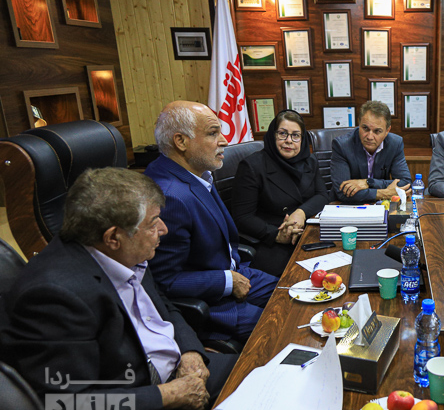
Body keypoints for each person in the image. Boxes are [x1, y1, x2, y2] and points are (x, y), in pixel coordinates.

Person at [0, 168, 236, 410]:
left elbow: (164, 307)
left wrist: (191, 352)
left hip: (169, 372)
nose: (164, 229)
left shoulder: (126, 251)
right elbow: (65, 407)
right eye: (153, 223)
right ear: (113, 237)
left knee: (253, 371)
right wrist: (169, 395)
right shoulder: (54, 296)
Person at [145, 101, 278, 342]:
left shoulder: (196, 173)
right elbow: (163, 281)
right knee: (284, 324)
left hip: (234, 271)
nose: (224, 141)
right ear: (181, 141)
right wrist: (226, 281)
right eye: (212, 133)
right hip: (213, 302)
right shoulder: (170, 197)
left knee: (296, 293)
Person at [232, 110, 329, 277]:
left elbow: (322, 195)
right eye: (283, 134)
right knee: (293, 280)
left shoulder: (309, 161)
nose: (289, 140)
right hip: (272, 239)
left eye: (295, 135)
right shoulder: (252, 166)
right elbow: (242, 217)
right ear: (273, 135)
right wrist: (277, 235)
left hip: (306, 232)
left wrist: (300, 212)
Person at [330, 100, 411, 203]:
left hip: (380, 206)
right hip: (348, 206)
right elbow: (342, 192)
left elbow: (405, 183)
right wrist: (384, 193)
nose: (369, 137)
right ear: (359, 124)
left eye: (377, 131)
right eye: (365, 128)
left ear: (387, 131)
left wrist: (368, 182)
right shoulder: (342, 145)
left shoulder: (395, 144)